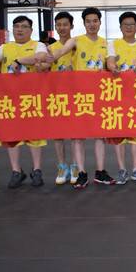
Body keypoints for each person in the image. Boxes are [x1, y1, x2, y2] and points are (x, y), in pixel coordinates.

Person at [50, 7, 112, 187]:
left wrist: (113, 68)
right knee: (78, 136)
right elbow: (61, 52)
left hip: (99, 95)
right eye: (88, 21)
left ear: (100, 22)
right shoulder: (76, 41)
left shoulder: (105, 43)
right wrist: (48, 57)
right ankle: (82, 173)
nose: (92, 24)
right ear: (84, 24)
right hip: (80, 96)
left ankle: (100, 172)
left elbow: (109, 62)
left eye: (95, 21)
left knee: (100, 135)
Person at [0, 15, 50, 189]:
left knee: (35, 135)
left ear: (31, 30)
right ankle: (16, 171)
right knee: (12, 135)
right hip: (9, 98)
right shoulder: (5, 47)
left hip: (31, 98)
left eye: (23, 26)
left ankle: (37, 170)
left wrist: (19, 60)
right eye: (16, 26)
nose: (19, 29)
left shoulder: (38, 45)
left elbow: (41, 57)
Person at [107, 11, 136, 184]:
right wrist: (113, 68)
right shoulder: (113, 44)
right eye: (125, 25)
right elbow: (110, 61)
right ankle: (122, 170)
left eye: (132, 24)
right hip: (118, 94)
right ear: (120, 27)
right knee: (119, 132)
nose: (128, 27)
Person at [47, 11, 79, 186]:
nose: (62, 28)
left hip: (75, 95)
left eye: (65, 24)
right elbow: (44, 68)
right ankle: (62, 167)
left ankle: (75, 166)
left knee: (74, 133)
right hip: (56, 96)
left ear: (71, 26)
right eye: (58, 25)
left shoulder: (78, 44)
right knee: (58, 134)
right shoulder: (50, 49)